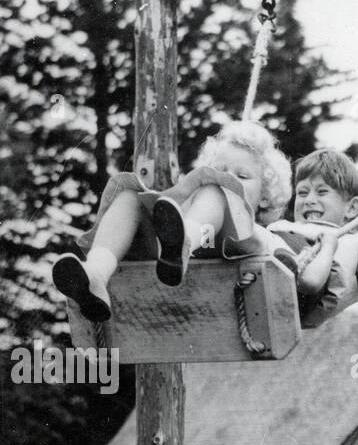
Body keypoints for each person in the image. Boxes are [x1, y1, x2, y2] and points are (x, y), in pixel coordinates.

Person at [52, 119, 295, 322]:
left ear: (265, 197)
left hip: (227, 244)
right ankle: (95, 273)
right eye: (219, 171)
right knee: (129, 197)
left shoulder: (263, 233)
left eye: (242, 176)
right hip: (169, 253)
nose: (227, 179)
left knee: (216, 192)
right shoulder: (202, 201)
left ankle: (184, 241)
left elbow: (286, 263)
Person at [269, 148, 358, 325]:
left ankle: (283, 265)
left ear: (351, 208)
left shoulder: (352, 243)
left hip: (303, 290)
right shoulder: (283, 227)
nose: (308, 200)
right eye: (302, 193)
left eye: (321, 192)